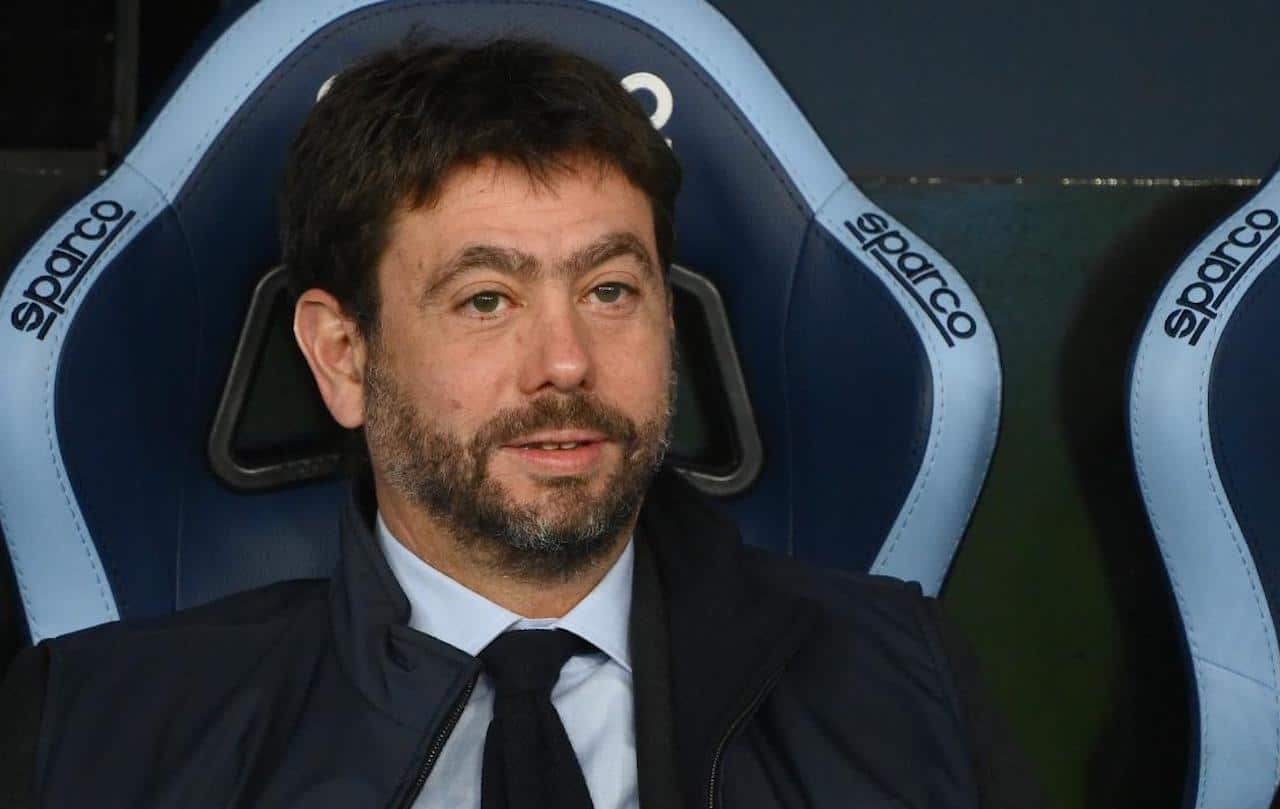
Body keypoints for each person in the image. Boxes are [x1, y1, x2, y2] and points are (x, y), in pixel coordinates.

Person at [0, 38, 1041, 809]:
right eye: (486, 299)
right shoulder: (100, 731)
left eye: (609, 290)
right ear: (343, 355)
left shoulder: (904, 688)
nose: (565, 361)